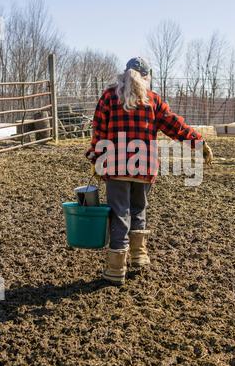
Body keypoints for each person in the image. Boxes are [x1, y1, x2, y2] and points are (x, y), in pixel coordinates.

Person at [86, 57, 213, 285]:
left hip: (115, 166)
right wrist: (198, 143)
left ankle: (116, 268)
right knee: (139, 209)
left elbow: (99, 130)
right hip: (143, 166)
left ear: (124, 74)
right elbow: (175, 125)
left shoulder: (109, 97)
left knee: (119, 212)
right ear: (147, 77)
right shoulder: (152, 100)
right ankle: (139, 255)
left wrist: (95, 156)